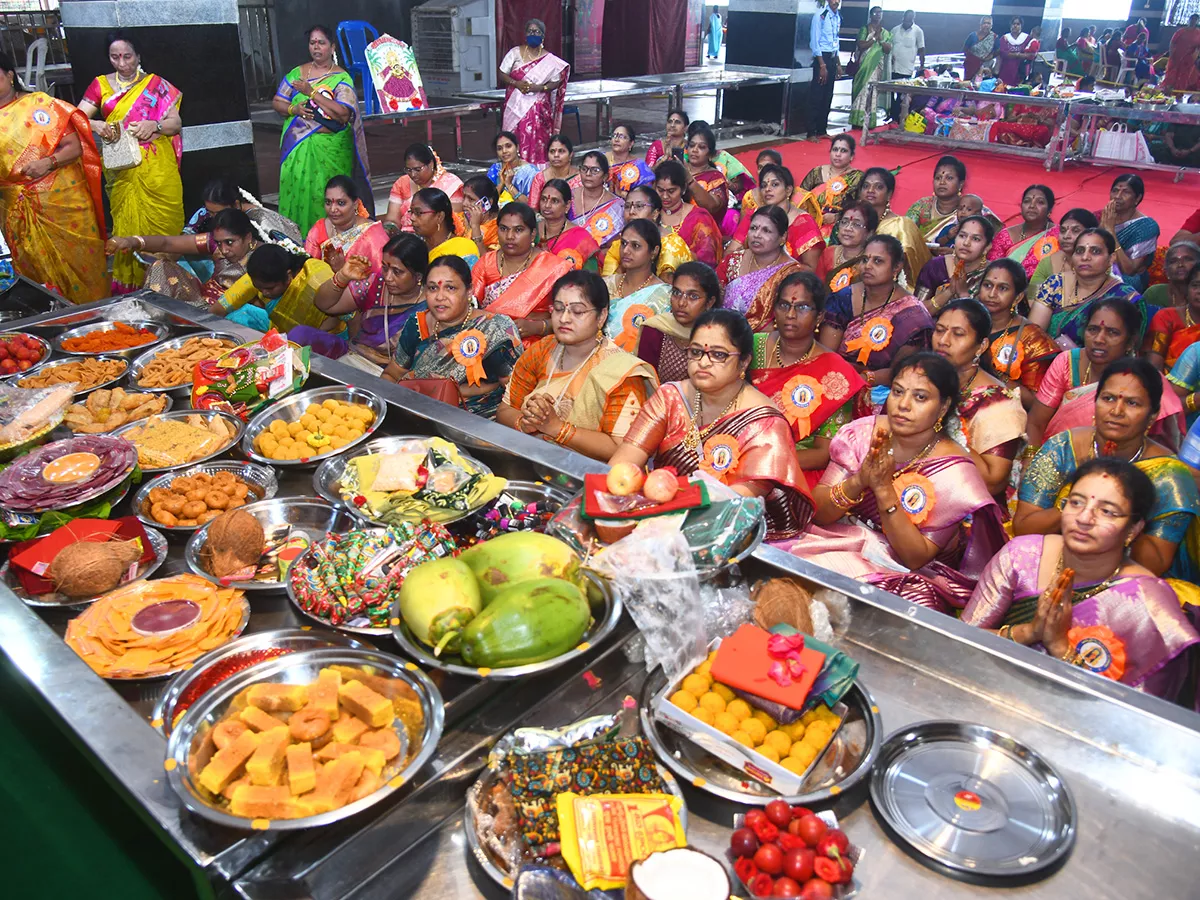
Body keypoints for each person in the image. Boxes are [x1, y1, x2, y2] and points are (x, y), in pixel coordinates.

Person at [778, 352, 1007, 612]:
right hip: (837, 538)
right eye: (898, 392)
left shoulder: (955, 473)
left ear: (943, 407)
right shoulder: (863, 434)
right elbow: (819, 513)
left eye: (920, 397)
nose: (903, 405)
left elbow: (915, 557)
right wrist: (859, 481)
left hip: (902, 571)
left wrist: (884, 490)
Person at [965, 458, 1199, 700]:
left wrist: (1061, 648)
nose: (1084, 518)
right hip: (989, 692)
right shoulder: (1022, 555)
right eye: (1076, 502)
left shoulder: (1149, 603)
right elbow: (960, 638)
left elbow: (1140, 711)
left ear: (1133, 529)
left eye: (1107, 511)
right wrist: (1028, 632)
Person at [612, 308, 814, 538]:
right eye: (696, 352)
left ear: (744, 361)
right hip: (658, 517)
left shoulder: (765, 423)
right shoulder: (670, 397)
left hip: (732, 533)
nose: (703, 362)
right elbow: (622, 464)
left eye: (718, 355)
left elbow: (733, 506)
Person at [1016, 359, 1200, 579]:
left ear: (1152, 415)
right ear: (1095, 402)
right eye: (1108, 398)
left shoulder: (1170, 476)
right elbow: (1024, 528)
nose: (1117, 411)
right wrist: (1077, 500)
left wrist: (1122, 503)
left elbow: (1156, 563)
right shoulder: (1063, 447)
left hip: (1128, 582)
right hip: (1051, 563)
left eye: (1132, 403)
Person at [499, 270, 657, 459]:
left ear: (601, 316)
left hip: (586, 477)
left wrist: (557, 428)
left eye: (578, 311)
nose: (564, 318)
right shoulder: (542, 351)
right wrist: (523, 423)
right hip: (530, 460)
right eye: (558, 308)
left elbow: (623, 450)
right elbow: (505, 410)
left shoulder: (621, 373)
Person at [79, 30, 183, 294]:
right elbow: (76, 118)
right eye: (115, 58)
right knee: (127, 224)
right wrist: (97, 125)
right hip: (122, 170)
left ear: (138, 56)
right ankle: (134, 289)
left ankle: (169, 284)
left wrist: (154, 124)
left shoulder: (156, 85)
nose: (122, 63)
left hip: (158, 170)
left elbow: (175, 124)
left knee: (165, 222)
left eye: (127, 56)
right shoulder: (100, 85)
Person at [0, 54, 107, 304]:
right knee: (33, 269)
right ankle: (50, 318)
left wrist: (47, 163)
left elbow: (73, 147)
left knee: (80, 265)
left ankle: (92, 318)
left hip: (61, 203)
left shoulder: (38, 105)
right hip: (14, 208)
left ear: (9, 75)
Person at [749, 271, 866, 488]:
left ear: (820, 316)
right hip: (738, 453)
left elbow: (823, 452)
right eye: (784, 305)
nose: (790, 314)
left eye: (802, 307)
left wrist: (766, 462)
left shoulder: (835, 373)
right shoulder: (751, 347)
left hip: (795, 469)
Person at [383, 255, 522, 418]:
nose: (440, 297)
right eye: (433, 288)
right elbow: (391, 375)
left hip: (479, 425)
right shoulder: (417, 325)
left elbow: (517, 393)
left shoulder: (495, 328)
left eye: (450, 288)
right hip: (415, 416)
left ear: (469, 291)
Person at [271, 25, 370, 236]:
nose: (316, 47)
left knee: (326, 197)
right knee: (298, 193)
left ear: (332, 47)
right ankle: (296, 242)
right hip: (298, 148)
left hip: (331, 151)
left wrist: (312, 92)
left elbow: (343, 114)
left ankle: (329, 241)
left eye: (321, 42)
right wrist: (293, 109)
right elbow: (278, 101)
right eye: (312, 42)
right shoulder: (298, 73)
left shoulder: (341, 78)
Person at [1026, 299, 1160, 448]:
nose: (1099, 339)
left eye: (1112, 333)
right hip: (1056, 457)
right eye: (1093, 330)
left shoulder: (1142, 380)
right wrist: (1030, 461)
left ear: (1130, 342)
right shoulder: (1067, 363)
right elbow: (1036, 422)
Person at [820, 234, 933, 406]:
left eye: (878, 261)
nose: (868, 266)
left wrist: (865, 378)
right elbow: (826, 354)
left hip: (883, 395)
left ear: (896, 268)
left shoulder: (912, 316)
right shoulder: (843, 298)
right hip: (835, 381)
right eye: (865, 259)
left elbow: (903, 372)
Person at [932, 299, 1026, 500]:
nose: (943, 340)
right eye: (939, 330)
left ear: (981, 345)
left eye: (958, 334)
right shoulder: (926, 379)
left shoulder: (998, 402)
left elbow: (993, 482)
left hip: (973, 506)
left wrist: (935, 429)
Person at [300, 233, 428, 366]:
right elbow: (324, 305)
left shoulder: (429, 307)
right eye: (384, 268)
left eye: (397, 272)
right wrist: (343, 276)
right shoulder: (377, 283)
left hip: (387, 374)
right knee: (301, 334)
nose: (388, 277)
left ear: (418, 276)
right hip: (353, 356)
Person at [110, 208, 258, 308]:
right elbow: (168, 243)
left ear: (248, 237)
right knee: (160, 267)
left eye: (230, 242)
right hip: (201, 303)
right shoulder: (212, 243)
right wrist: (131, 241)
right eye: (219, 243)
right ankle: (155, 322)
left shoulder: (265, 255)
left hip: (235, 312)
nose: (224, 250)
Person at [472, 202, 572, 346]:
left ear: (532, 234)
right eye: (503, 229)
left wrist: (538, 327)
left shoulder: (554, 268)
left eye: (518, 230)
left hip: (540, 345)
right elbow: (468, 312)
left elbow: (571, 315)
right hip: (488, 344)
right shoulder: (485, 264)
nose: (510, 236)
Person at [1029, 227, 1145, 348]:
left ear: (1111, 258)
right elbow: (1033, 335)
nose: (1085, 257)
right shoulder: (1055, 284)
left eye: (1095, 251)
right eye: (1079, 251)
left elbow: (1126, 348)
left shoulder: (1124, 296)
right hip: (1047, 359)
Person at [978, 259, 1058, 407]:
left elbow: (1035, 402)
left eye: (1002, 288)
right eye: (987, 285)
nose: (992, 294)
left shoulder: (1032, 339)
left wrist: (989, 371)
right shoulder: (968, 323)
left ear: (1018, 297)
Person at [211, 243, 335, 334]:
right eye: (258, 288)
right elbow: (222, 306)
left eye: (270, 288)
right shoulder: (259, 275)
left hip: (327, 335)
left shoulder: (315, 278)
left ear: (288, 276)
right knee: (239, 316)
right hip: (280, 330)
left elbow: (339, 315)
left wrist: (308, 337)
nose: (264, 293)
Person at [718, 207, 804, 332]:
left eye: (766, 231)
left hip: (764, 341)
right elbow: (713, 297)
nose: (757, 235)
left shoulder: (792, 274)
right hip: (721, 333)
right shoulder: (732, 260)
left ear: (782, 237)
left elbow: (787, 318)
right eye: (753, 228)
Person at [498, 18, 569, 165]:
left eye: (536, 31)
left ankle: (538, 175)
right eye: (530, 31)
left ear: (543, 35)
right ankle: (513, 172)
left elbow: (555, 82)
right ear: (525, 34)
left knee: (539, 143)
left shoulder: (549, 60)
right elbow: (502, 73)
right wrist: (516, 83)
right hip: (515, 107)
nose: (533, 34)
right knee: (513, 139)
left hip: (539, 111)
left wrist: (540, 88)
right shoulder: (515, 53)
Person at [638, 262, 722, 384]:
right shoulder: (656, 330)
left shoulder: (719, 337)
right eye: (677, 293)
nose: (681, 303)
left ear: (710, 302)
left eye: (693, 296)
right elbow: (645, 384)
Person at [728, 166, 824, 268]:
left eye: (775, 184)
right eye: (764, 186)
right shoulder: (754, 215)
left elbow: (812, 268)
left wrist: (777, 271)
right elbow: (732, 249)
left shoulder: (803, 223)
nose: (767, 189)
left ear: (788, 190)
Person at [603, 220, 670, 351]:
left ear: (654, 251)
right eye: (623, 243)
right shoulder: (606, 284)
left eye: (636, 246)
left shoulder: (664, 296)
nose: (626, 250)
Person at [857, 166, 930, 287]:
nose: (870, 190)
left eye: (878, 187)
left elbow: (911, 268)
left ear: (889, 194)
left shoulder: (900, 225)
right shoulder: (853, 221)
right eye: (866, 186)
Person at [304, 176, 390, 278]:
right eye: (328, 202)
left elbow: (381, 280)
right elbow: (307, 271)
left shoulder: (373, 237)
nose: (332, 209)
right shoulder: (319, 229)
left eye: (341, 203)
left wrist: (342, 270)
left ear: (355, 204)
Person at [601, 186, 694, 278]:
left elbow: (667, 289)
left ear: (655, 213)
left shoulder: (672, 245)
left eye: (639, 206)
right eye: (627, 206)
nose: (631, 212)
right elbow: (607, 285)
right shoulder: (619, 245)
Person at [905, 156, 999, 247]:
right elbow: (904, 234)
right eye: (938, 178)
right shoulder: (922, 206)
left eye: (949, 178)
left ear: (961, 184)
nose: (942, 182)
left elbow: (995, 243)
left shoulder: (976, 209)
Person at [187, 177, 302, 245]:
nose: (213, 217)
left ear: (236, 205)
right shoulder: (207, 212)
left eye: (217, 213)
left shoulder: (262, 221)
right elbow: (187, 235)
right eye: (210, 212)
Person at [915, 215, 995, 314]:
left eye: (976, 239)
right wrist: (949, 292)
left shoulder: (992, 275)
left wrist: (963, 294)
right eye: (962, 236)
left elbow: (992, 321)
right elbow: (916, 313)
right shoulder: (935, 266)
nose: (966, 243)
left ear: (987, 247)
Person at [655, 161, 724, 269]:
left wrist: (676, 254)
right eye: (660, 190)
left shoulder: (699, 218)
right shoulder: (649, 212)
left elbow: (708, 259)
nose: (664, 196)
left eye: (671, 191)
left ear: (683, 189)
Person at [384, 143, 464, 234]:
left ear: (431, 164)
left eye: (418, 169)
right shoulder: (402, 183)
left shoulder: (450, 184)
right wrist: (390, 229)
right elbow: (392, 219)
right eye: (408, 170)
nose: (413, 175)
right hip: (405, 238)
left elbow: (451, 223)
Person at [799, 134, 865, 240]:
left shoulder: (857, 177)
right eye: (835, 150)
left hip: (842, 227)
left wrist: (837, 217)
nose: (838, 154)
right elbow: (800, 198)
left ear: (852, 156)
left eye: (843, 151)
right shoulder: (816, 172)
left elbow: (862, 208)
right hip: (812, 223)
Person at [1099, 174, 1159, 289]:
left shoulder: (1147, 227)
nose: (1117, 196)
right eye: (1115, 191)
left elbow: (1129, 270)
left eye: (1125, 192)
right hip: (1099, 269)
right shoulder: (1101, 215)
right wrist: (1102, 225)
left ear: (1137, 198)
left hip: (1128, 280)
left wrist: (1110, 231)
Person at [988, 184, 1059, 279]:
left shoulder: (1058, 234)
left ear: (1050, 209)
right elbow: (993, 268)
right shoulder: (1005, 236)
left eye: (1040, 202)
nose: (1032, 206)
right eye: (1027, 201)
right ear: (1021, 206)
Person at [1146, 250, 1200, 370]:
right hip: (1168, 384)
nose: (1199, 292)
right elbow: (1154, 364)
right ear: (1187, 288)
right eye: (1195, 285)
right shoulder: (1166, 317)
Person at [1028, 208, 1099, 299]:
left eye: (1075, 231)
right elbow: (1032, 297)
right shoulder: (1047, 263)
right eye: (1063, 230)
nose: (1066, 236)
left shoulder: (1100, 264)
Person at [537, 178, 599, 271]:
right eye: (544, 199)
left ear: (567, 205)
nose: (547, 205)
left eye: (554, 201)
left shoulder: (581, 237)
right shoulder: (532, 230)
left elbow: (591, 278)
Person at [410, 187, 480, 269]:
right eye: (411, 212)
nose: (412, 218)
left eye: (418, 213)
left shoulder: (463, 248)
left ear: (440, 216)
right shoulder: (415, 248)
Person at [570, 151, 625, 255]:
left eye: (595, 170)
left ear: (605, 176)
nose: (588, 174)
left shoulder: (617, 206)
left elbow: (615, 246)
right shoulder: (569, 196)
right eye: (584, 169)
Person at [817, 201, 877, 292]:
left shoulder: (869, 262)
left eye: (856, 224)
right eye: (844, 222)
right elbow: (817, 289)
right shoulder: (829, 253)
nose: (848, 228)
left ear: (869, 233)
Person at [680, 124, 729, 227]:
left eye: (701, 147)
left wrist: (690, 180)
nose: (695, 150)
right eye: (692, 145)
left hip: (704, 234)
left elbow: (712, 207)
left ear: (711, 154)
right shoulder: (679, 169)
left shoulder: (715, 178)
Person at [852, 7, 892, 129]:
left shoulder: (885, 32)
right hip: (864, 66)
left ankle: (869, 121)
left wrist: (880, 40)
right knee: (862, 91)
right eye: (875, 13)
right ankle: (857, 121)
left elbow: (888, 49)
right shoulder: (865, 29)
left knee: (873, 92)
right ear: (871, 15)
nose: (878, 15)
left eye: (880, 13)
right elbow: (861, 44)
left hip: (877, 66)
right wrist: (874, 38)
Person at [808, 0, 842, 141]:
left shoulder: (837, 16)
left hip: (833, 58)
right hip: (822, 58)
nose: (836, 2)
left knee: (828, 95)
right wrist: (822, 65)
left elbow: (836, 40)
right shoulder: (820, 15)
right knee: (817, 96)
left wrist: (838, 63)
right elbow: (815, 42)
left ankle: (822, 129)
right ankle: (811, 132)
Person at [528, 133, 581, 209]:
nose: (556, 155)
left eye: (561, 151)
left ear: (571, 155)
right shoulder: (540, 178)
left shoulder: (580, 178)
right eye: (552, 151)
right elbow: (533, 209)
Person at [487, 131, 539, 204]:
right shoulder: (495, 169)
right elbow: (487, 203)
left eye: (508, 146)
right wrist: (501, 184)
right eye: (499, 148)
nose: (504, 151)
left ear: (517, 147)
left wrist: (509, 185)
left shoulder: (531, 172)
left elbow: (532, 205)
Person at [607, 124, 654, 199]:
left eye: (622, 137)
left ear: (631, 143)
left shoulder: (639, 166)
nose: (616, 139)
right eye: (614, 136)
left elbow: (647, 197)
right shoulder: (601, 159)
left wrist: (622, 194)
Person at [1163, 13, 1200, 94]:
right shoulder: (1180, 31)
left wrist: (1195, 56)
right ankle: (1166, 94)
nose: (1193, 21)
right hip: (1176, 57)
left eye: (1195, 19)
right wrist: (1172, 54)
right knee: (1171, 76)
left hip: (1188, 60)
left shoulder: (1198, 33)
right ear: (1189, 20)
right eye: (1192, 19)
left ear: (1197, 21)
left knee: (1184, 77)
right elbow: (1172, 43)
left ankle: (1179, 94)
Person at [464, 176, 501, 252]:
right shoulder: (462, 218)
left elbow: (487, 261)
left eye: (471, 199)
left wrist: (475, 227)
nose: (464, 203)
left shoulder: (499, 228)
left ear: (487, 203)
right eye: (464, 197)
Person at [890, 10, 926, 81]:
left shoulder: (918, 31)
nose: (907, 20)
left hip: (906, 69)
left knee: (903, 90)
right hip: (893, 68)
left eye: (910, 18)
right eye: (906, 18)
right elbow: (889, 46)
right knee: (890, 89)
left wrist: (922, 66)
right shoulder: (894, 30)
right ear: (903, 18)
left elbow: (921, 49)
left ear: (913, 18)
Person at [996, 17, 1034, 84]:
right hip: (1006, 70)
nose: (1015, 26)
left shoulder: (1027, 38)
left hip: (1021, 71)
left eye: (1018, 24)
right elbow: (1003, 53)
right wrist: (1019, 55)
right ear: (1010, 25)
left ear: (1021, 26)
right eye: (1013, 24)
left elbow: (1031, 54)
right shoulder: (1004, 38)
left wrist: (1014, 55)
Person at [964, 16, 997, 81]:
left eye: (988, 23)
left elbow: (998, 51)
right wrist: (974, 60)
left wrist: (988, 58)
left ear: (991, 26)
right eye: (984, 23)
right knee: (968, 85)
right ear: (980, 25)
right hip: (970, 66)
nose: (986, 25)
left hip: (985, 67)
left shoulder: (994, 38)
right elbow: (965, 50)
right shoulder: (973, 36)